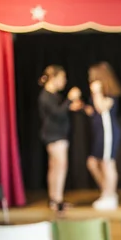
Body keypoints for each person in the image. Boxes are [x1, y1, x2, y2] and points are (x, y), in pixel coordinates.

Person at [37, 65, 82, 212]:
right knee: (59, 167)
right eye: (62, 78)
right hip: (54, 136)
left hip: (58, 135)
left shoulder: (54, 95)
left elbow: (60, 110)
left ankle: (55, 199)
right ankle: (56, 200)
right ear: (53, 78)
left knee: (55, 167)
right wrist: (69, 99)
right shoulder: (46, 96)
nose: (64, 81)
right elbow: (57, 113)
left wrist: (70, 105)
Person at [84, 62, 121, 210]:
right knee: (92, 163)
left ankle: (110, 196)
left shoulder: (108, 92)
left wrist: (96, 92)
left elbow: (101, 108)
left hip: (109, 132)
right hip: (100, 132)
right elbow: (95, 110)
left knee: (107, 163)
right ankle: (107, 192)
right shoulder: (99, 93)